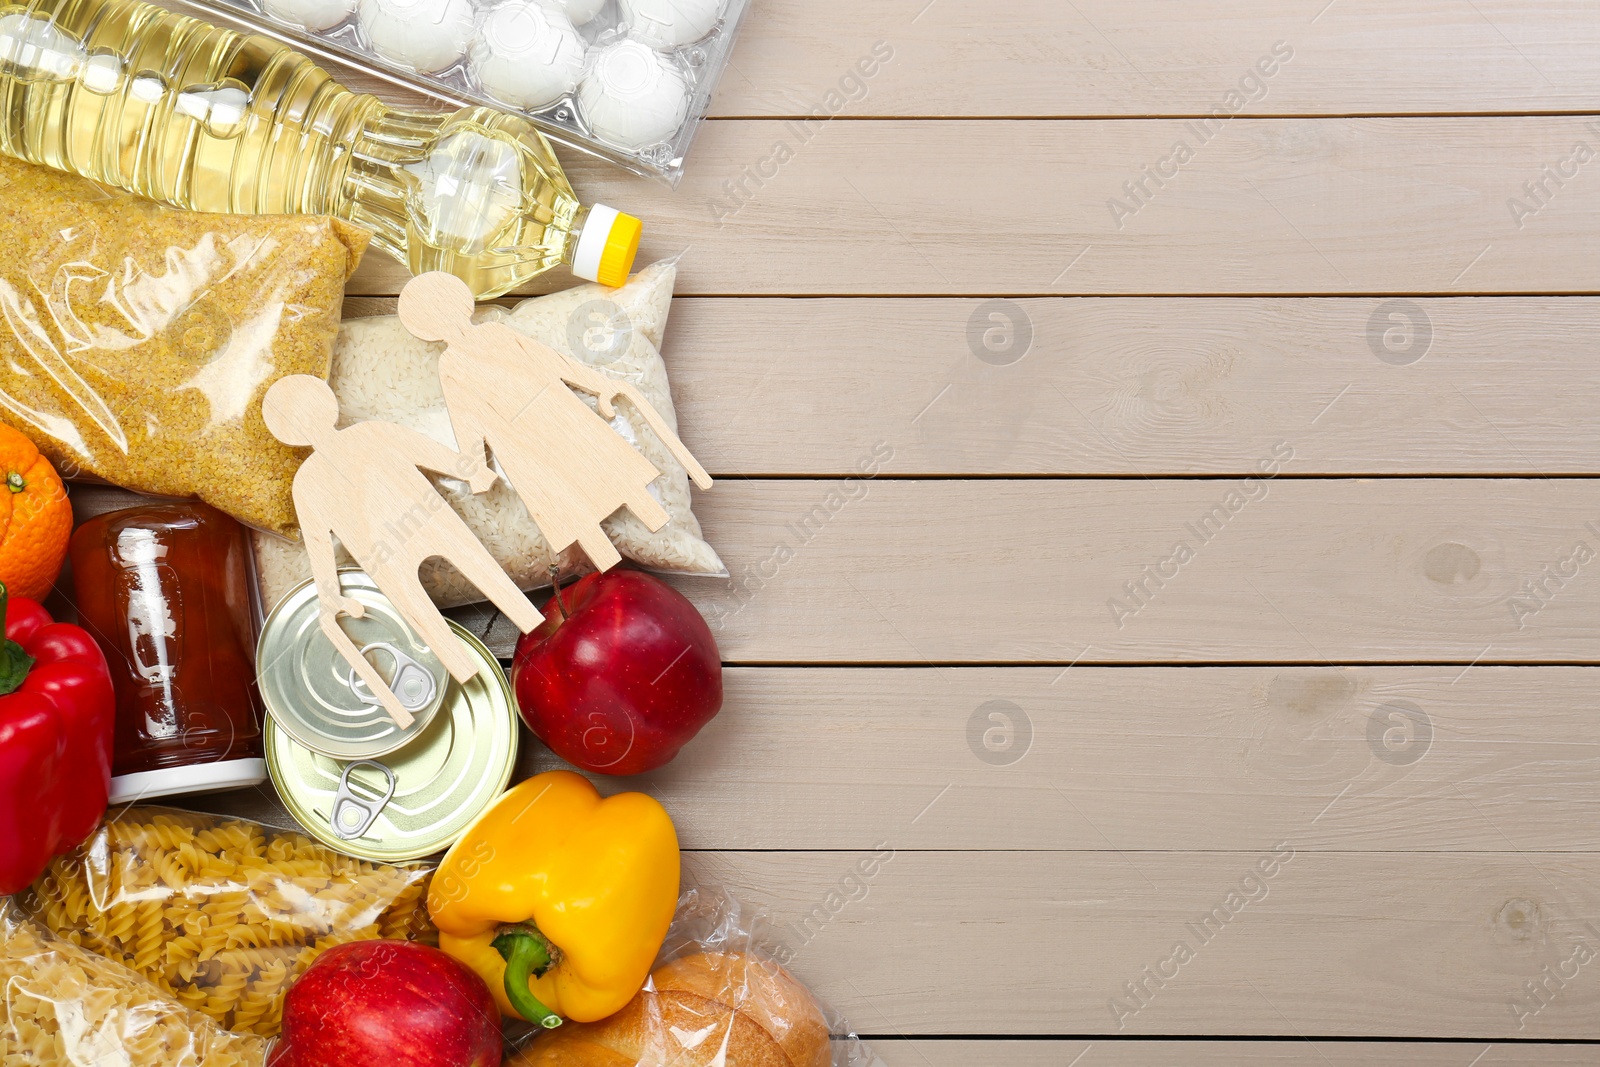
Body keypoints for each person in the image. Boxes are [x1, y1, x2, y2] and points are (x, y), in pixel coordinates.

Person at [398, 272, 710, 573]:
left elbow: (552, 362)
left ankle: (659, 524)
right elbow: (465, 416)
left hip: (554, 408)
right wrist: (478, 465)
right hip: (514, 439)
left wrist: (596, 382)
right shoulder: (450, 363)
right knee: (565, 505)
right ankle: (606, 563)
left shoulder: (495, 334)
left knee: (609, 470)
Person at [262, 374, 541, 691]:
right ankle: (480, 662)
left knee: (441, 600)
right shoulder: (360, 441)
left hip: (399, 541)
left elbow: (319, 548)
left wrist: (330, 596)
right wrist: (471, 470)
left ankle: (473, 668)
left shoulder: (310, 479)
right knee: (465, 586)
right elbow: (319, 545)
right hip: (411, 530)